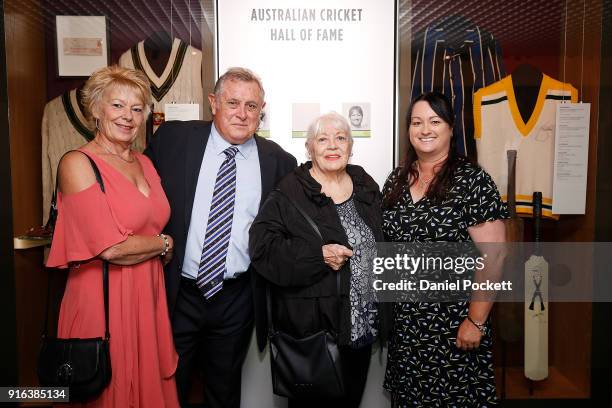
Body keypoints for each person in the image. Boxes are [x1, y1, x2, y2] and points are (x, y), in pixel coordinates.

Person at [145, 67, 296, 408]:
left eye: (252, 106)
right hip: (178, 292)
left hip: (236, 299)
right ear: (213, 103)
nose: (243, 114)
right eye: (233, 103)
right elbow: (138, 197)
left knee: (223, 391)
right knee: (169, 388)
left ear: (262, 111)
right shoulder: (172, 141)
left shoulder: (278, 161)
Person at [46, 65, 179, 407]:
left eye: (137, 109)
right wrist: (163, 244)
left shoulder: (145, 164)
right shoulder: (77, 163)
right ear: (96, 110)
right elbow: (112, 248)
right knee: (108, 388)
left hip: (148, 297)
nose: (128, 117)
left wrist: (152, 245)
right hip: (101, 300)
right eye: (117, 106)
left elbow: (148, 224)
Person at [249, 112, 384, 408]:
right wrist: (317, 256)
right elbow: (262, 249)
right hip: (313, 334)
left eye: (341, 138)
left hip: (361, 328)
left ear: (351, 146)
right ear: (310, 148)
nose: (332, 146)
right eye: (323, 139)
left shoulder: (364, 184)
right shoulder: (290, 191)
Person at [381, 92, 507, 407]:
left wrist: (475, 321)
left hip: (455, 327)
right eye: (417, 122)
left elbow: (496, 254)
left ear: (451, 128)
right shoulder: (397, 179)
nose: (425, 129)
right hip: (407, 329)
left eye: (435, 121)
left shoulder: (472, 180)